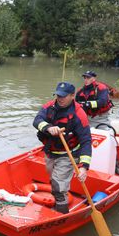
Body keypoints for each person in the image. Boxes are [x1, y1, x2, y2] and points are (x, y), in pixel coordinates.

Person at [33, 82, 92, 214]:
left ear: (72, 96)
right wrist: (48, 127)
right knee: (54, 181)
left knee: (59, 187)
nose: (60, 98)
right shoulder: (49, 106)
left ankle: (61, 213)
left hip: (67, 154)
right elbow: (37, 120)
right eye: (58, 95)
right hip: (50, 152)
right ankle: (58, 194)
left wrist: (84, 167)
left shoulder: (79, 114)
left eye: (63, 96)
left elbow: (86, 141)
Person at [76, 70, 119, 176]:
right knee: (80, 138)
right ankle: (79, 160)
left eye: (88, 78)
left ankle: (116, 165)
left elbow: (102, 102)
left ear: (94, 78)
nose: (86, 80)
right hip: (87, 118)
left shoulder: (102, 88)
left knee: (110, 138)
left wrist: (86, 104)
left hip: (101, 118)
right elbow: (75, 105)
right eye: (84, 77)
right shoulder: (80, 91)